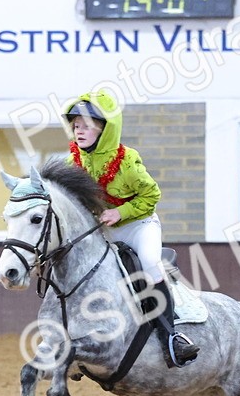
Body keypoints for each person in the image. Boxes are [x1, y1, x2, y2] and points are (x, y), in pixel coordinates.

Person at [62, 92, 200, 367]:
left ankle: (171, 337)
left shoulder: (127, 163)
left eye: (87, 125)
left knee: (149, 263)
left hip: (139, 225)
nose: (79, 131)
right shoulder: (73, 162)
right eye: (76, 126)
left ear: (104, 130)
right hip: (103, 229)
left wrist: (120, 212)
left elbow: (152, 196)